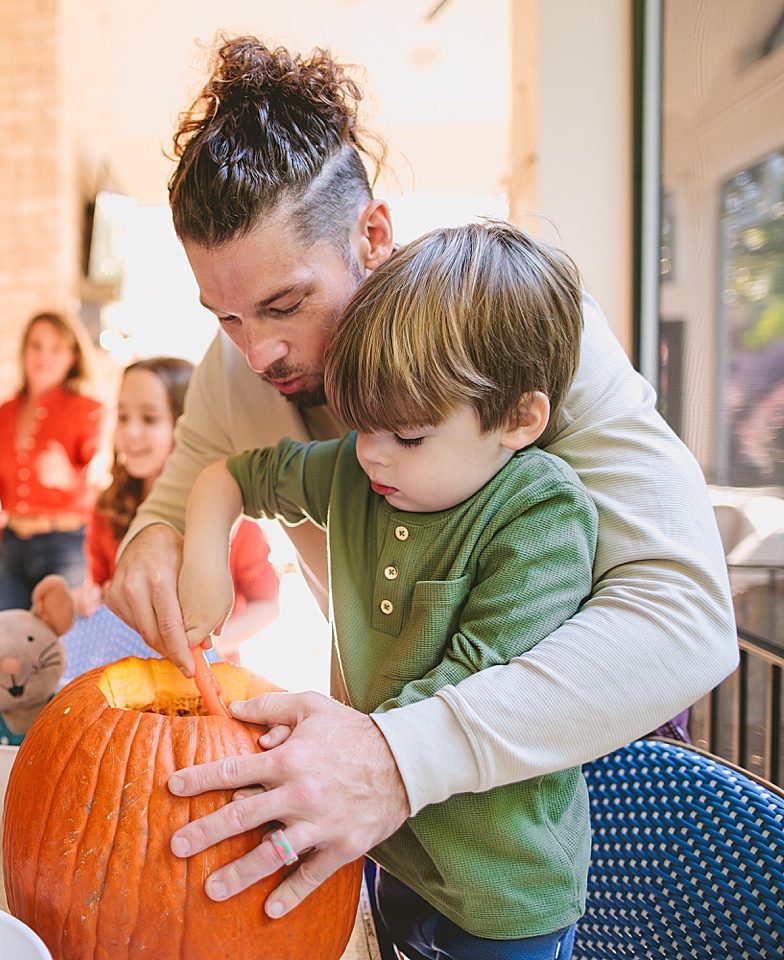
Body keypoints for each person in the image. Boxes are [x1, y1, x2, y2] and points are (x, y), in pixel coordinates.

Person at [103, 36, 737, 930]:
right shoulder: (235, 364)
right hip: (401, 811)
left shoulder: (511, 328)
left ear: (372, 234)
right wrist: (155, 545)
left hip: (564, 799)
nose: (258, 353)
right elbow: (175, 505)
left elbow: (687, 616)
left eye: (285, 305)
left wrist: (397, 756)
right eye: (227, 316)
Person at [182, 222, 595, 955]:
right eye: (359, 424)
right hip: (382, 848)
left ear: (517, 420)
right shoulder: (358, 467)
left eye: (406, 436)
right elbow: (230, 476)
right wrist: (205, 558)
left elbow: (475, 687)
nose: (370, 455)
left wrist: (312, 750)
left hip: (501, 893)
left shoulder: (541, 513)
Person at [77, 356, 278, 664]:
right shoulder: (107, 508)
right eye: (122, 416)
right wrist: (90, 598)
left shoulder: (229, 517)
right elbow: (104, 587)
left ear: (188, 426)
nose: (130, 432)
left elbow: (268, 605)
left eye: (149, 419)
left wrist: (212, 645)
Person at [0, 311, 105, 618]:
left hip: (64, 547)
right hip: (12, 545)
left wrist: (70, 479)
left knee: (65, 652)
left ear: (72, 356)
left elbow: (103, 493)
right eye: (36, 345)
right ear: (24, 350)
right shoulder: (6, 412)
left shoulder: (89, 410)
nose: (43, 356)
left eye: (55, 348)